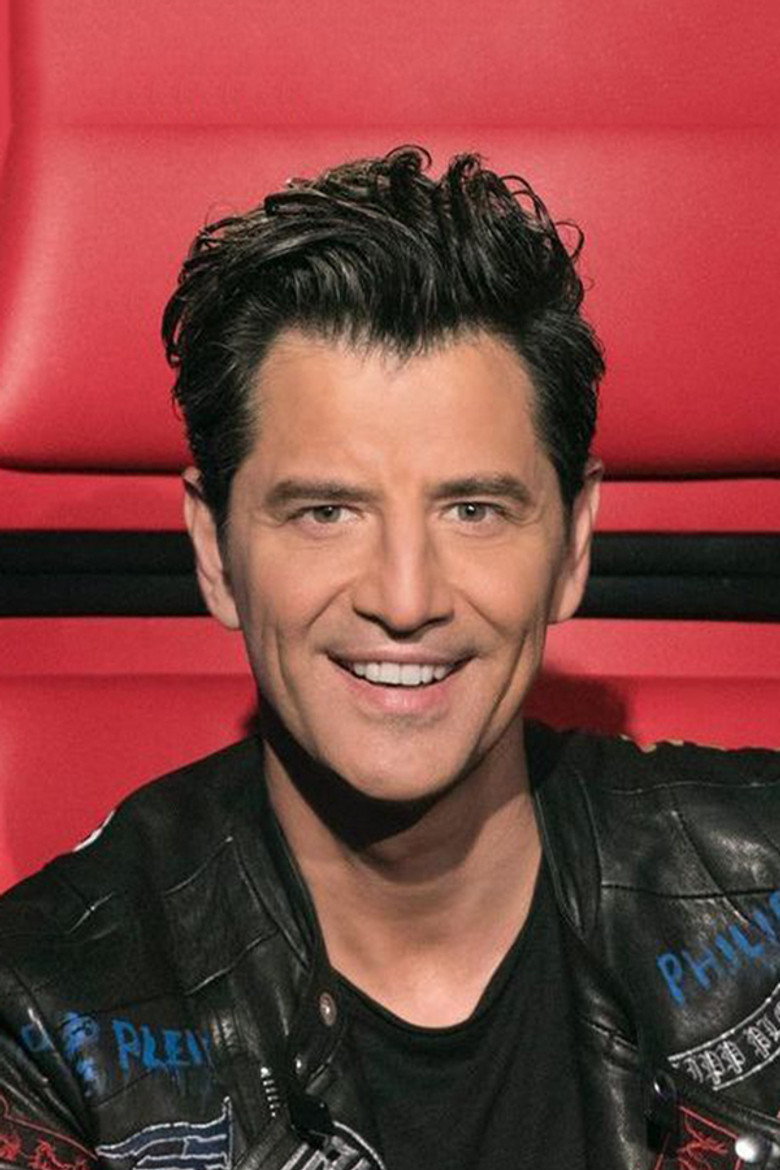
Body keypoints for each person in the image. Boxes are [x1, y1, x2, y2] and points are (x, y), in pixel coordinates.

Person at [0, 146, 778, 1170]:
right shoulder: (42, 1012)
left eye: (474, 509)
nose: (405, 599)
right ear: (215, 554)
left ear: (573, 546)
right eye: (325, 512)